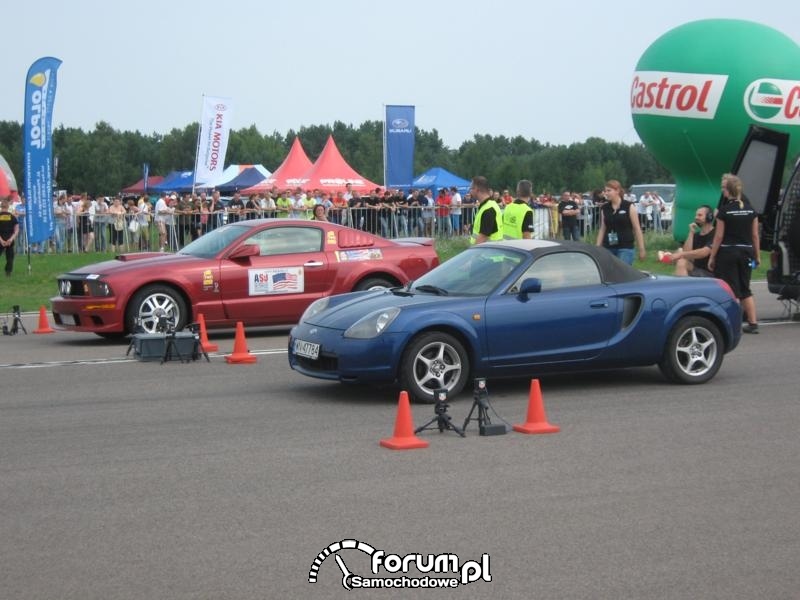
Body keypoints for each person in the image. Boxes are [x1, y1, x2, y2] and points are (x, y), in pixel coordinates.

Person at [709, 174, 760, 333]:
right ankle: (753, 323)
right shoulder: (751, 210)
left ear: (728, 191)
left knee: (731, 288)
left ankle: (734, 323)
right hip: (746, 252)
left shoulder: (724, 211)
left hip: (728, 252)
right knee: (745, 288)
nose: (722, 191)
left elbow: (718, 236)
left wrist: (712, 256)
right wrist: (756, 256)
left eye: (723, 188)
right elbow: (755, 235)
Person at [595, 180, 646, 265]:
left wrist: (641, 249)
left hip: (625, 247)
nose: (606, 193)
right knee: (609, 274)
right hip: (608, 246)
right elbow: (602, 229)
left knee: (622, 275)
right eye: (605, 191)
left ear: (617, 191)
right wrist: (597, 247)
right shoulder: (604, 208)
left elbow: (637, 228)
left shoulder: (629, 206)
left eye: (609, 191)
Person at [662, 205, 715, 277]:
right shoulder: (696, 235)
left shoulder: (715, 233)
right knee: (682, 262)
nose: (696, 217)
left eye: (699, 215)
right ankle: (682, 285)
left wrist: (680, 254)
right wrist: (691, 233)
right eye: (696, 215)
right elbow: (686, 253)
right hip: (696, 268)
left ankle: (682, 287)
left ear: (709, 217)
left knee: (680, 261)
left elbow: (704, 252)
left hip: (710, 272)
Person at [470, 176, 503, 244]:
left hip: (488, 252)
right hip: (488, 251)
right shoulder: (486, 205)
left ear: (477, 189)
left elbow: (483, 237)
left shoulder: (489, 209)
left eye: (471, 188)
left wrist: (472, 254)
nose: (470, 191)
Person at [0, 198, 20, 276]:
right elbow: (17, 229)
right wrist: (11, 239)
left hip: (1, 239)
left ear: (1, 206)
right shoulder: (12, 217)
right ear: (8, 207)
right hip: (10, 239)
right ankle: (8, 272)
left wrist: (1, 240)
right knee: (10, 257)